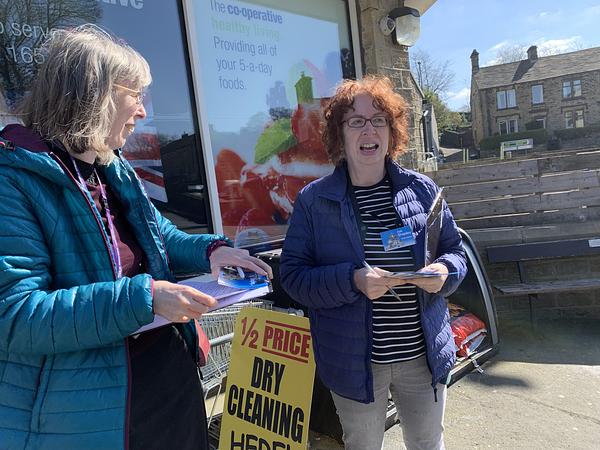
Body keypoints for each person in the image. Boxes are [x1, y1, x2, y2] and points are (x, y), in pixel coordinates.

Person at [0, 25, 272, 450]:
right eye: (136, 95)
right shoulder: (14, 179)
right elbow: (16, 315)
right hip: (91, 413)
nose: (144, 112)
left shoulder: (110, 166)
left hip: (168, 380)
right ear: (94, 93)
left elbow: (156, 236)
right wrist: (144, 299)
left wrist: (212, 250)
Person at [280, 76, 467, 450]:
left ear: (391, 130)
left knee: (428, 442)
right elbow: (293, 278)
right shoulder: (313, 201)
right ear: (340, 134)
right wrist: (352, 280)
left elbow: (456, 250)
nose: (369, 129)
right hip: (355, 364)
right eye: (356, 121)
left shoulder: (422, 189)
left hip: (422, 356)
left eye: (378, 119)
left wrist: (445, 271)